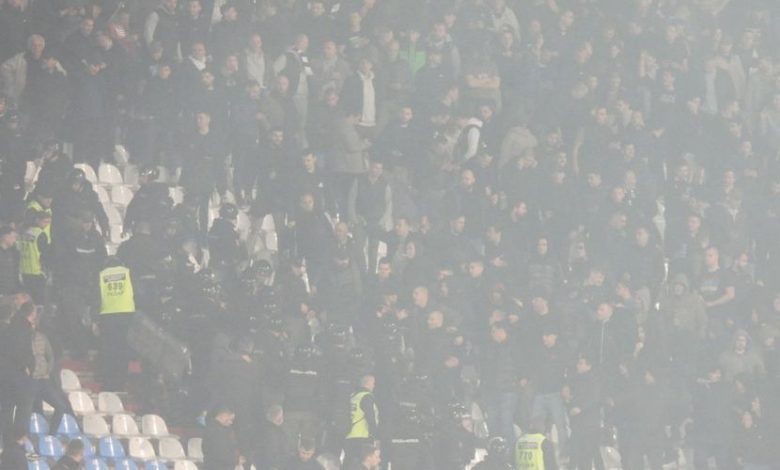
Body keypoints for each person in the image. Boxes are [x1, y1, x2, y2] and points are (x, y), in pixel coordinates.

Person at [96, 256, 136, 389]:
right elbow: (136, 292)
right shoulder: (128, 272)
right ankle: (121, 380)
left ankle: (109, 382)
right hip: (126, 315)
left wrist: (94, 319)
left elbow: (96, 297)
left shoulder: (101, 275)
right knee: (122, 349)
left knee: (109, 350)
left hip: (107, 316)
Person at [344, 374, 379, 465]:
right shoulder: (367, 396)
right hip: (362, 436)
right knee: (361, 464)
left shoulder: (353, 396)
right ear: (367, 383)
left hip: (349, 434)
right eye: (373, 383)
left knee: (350, 462)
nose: (374, 386)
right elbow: (370, 417)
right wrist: (375, 434)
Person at [203, 405, 243, 470]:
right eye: (230, 419)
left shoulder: (211, 428)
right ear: (224, 416)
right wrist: (236, 460)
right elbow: (221, 453)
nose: (231, 422)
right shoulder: (218, 431)